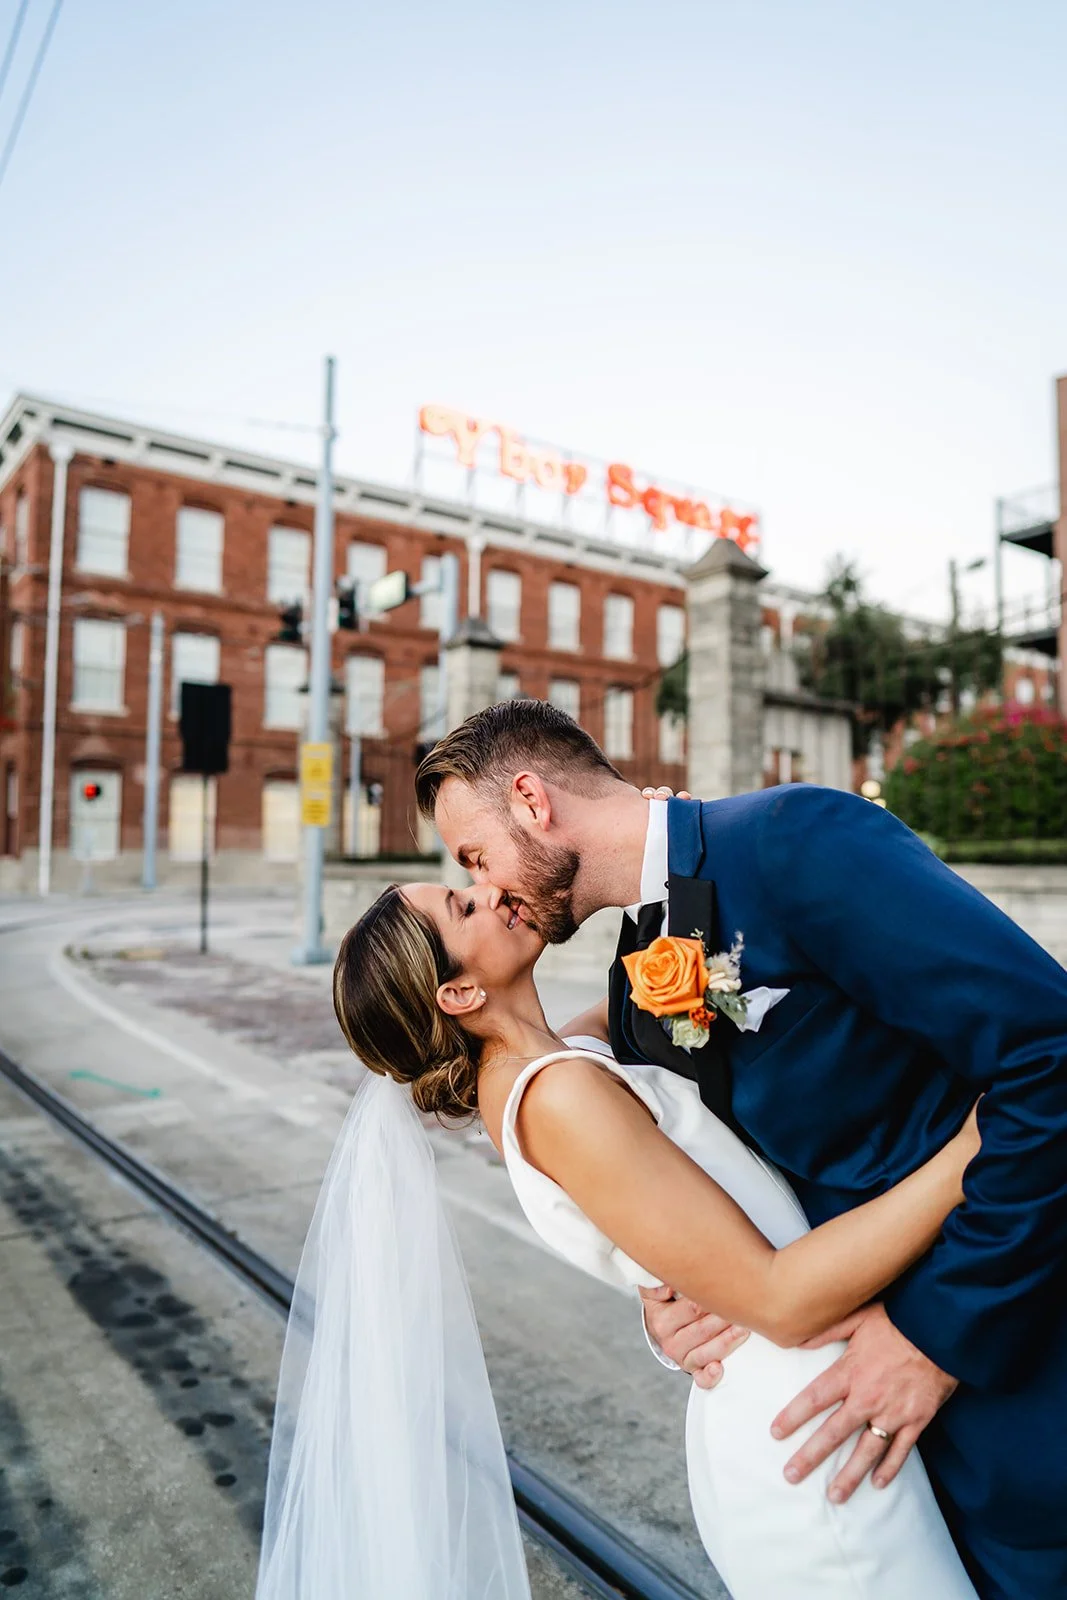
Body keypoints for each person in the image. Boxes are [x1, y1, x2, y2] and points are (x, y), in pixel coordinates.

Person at [413, 698, 1067, 1600]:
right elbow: (641, 1136)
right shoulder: (640, 973)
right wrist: (668, 1294)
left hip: (1018, 1369)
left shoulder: (795, 839)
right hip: (862, 1426)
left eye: (474, 857)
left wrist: (936, 1337)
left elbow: (1048, 1054)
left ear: (530, 798)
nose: (488, 887)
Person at [286, 878, 979, 1598]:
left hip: (813, 1399)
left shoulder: (548, 1061)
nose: (489, 891)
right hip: (805, 1434)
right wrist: (972, 1149)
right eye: (463, 908)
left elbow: (627, 1003)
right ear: (458, 995)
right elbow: (778, 1296)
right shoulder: (552, 1095)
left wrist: (654, 861)